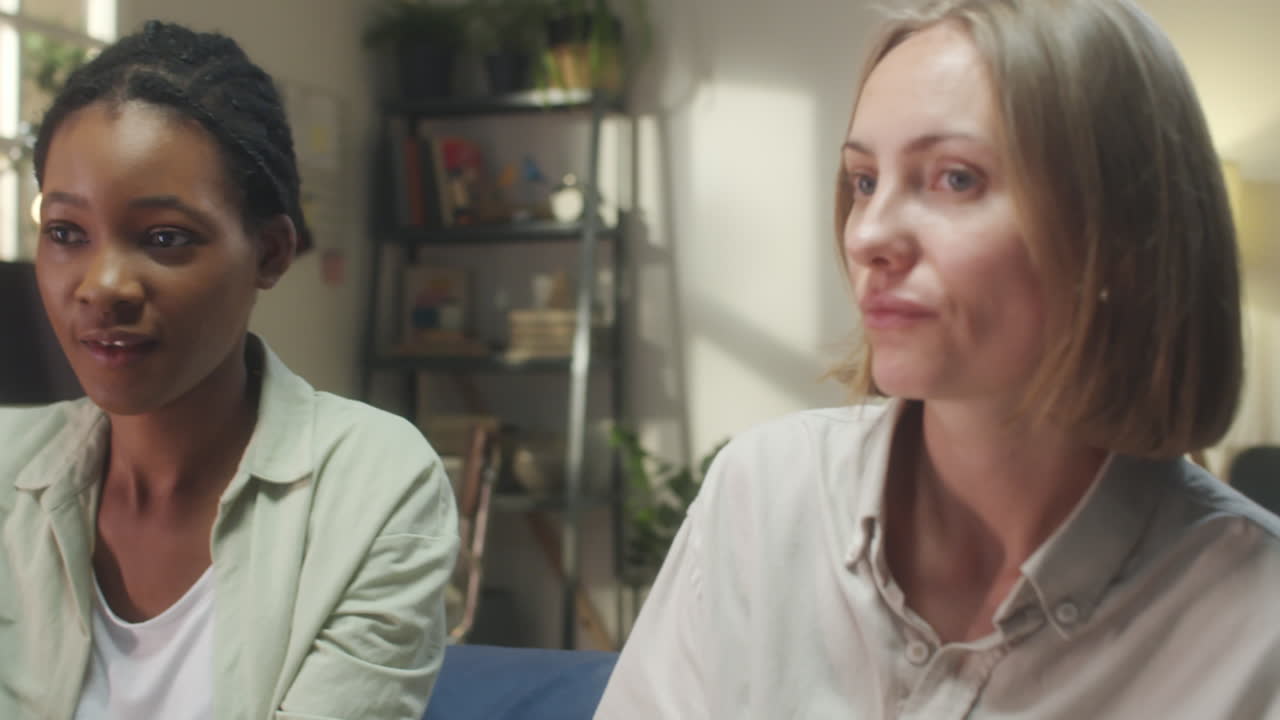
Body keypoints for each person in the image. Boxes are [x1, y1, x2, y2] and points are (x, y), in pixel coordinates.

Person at [596, 0, 1280, 717]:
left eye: (955, 178)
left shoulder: (1254, 627)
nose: (869, 236)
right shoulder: (760, 500)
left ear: (1122, 240)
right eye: (863, 181)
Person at [0, 21, 458, 719]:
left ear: (271, 253)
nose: (101, 286)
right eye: (66, 234)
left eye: (164, 238)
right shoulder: (9, 474)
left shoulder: (375, 488)